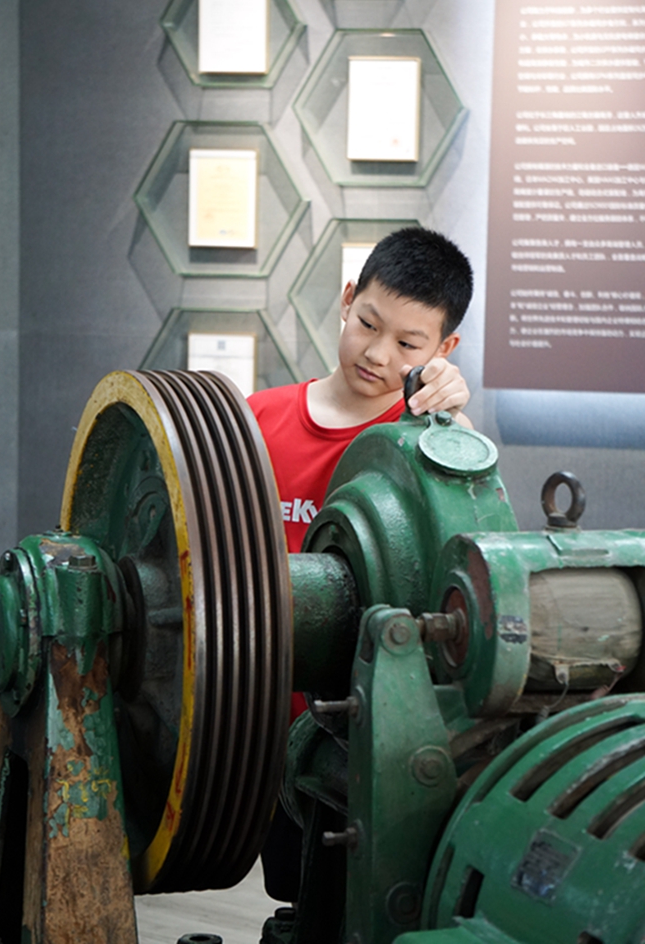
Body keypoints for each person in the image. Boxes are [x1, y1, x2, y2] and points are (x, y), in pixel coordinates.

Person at [248, 225, 474, 902]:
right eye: (368, 324)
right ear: (347, 299)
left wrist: (456, 432)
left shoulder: (428, 447)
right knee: (294, 899)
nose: (377, 354)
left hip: (371, 744)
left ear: (444, 351)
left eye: (408, 344)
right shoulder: (255, 422)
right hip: (261, 735)